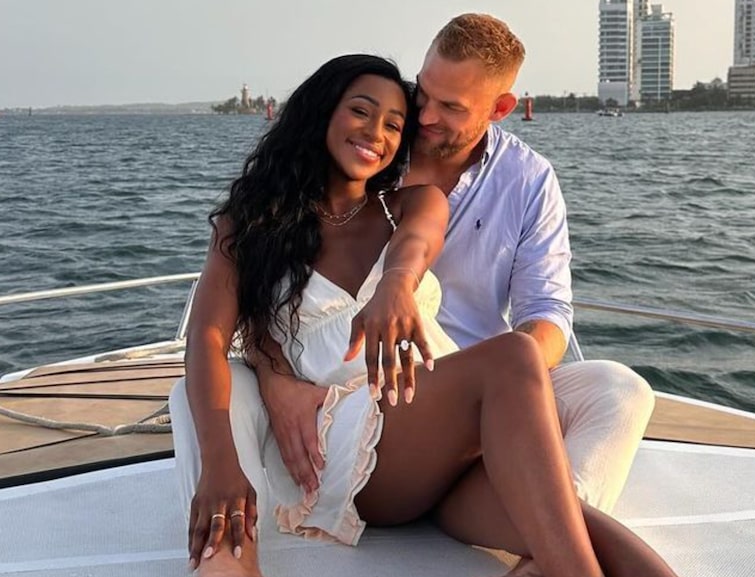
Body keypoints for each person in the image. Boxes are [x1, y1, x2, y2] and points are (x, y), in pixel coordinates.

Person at [169, 54, 677, 577]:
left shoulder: (411, 204)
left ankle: (542, 557)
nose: (377, 133)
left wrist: (397, 282)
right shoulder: (247, 224)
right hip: (356, 437)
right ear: (321, 111)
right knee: (514, 357)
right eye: (361, 112)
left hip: (450, 430)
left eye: (394, 125)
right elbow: (208, 336)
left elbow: (418, 243)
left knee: (594, 513)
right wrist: (221, 464)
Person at [257, 12, 655, 521]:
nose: (423, 116)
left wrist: (499, 391)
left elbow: (548, 315)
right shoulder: (373, 143)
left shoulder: (529, 180)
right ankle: (530, 519)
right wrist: (274, 377)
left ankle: (535, 530)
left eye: (450, 107)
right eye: (423, 91)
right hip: (375, 394)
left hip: (487, 394)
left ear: (501, 108)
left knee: (621, 391)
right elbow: (263, 278)